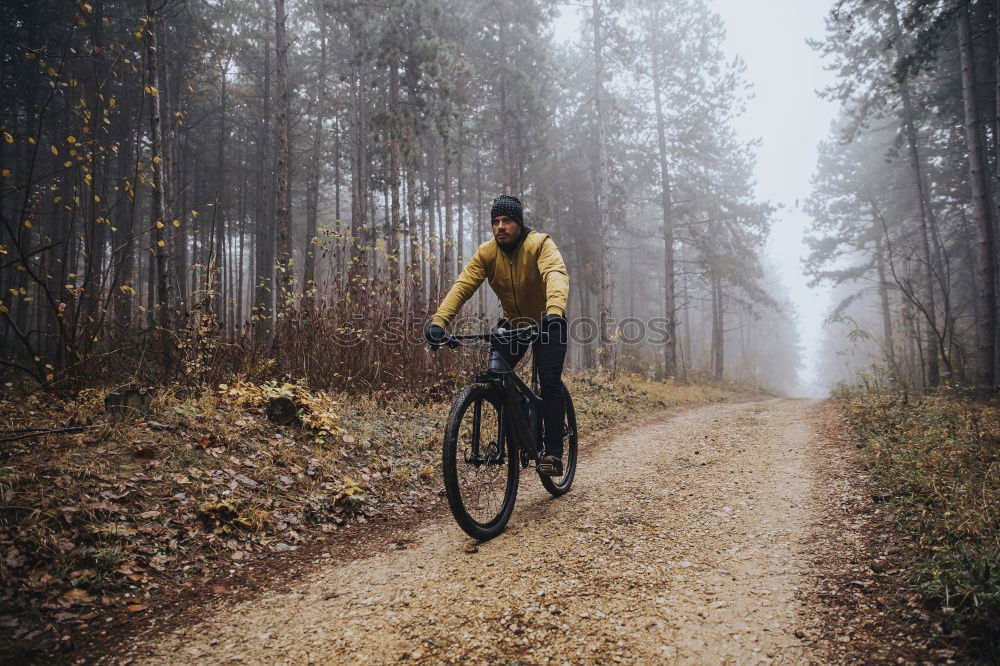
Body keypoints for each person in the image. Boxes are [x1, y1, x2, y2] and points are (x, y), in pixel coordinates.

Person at [425, 194, 570, 475]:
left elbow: (556, 274)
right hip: (514, 323)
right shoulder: (486, 253)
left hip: (547, 322)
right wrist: (439, 322)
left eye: (506, 221)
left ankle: (553, 452)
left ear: (518, 223)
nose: (500, 226)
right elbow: (463, 286)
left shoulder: (540, 244)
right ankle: (523, 419)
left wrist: (553, 311)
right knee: (497, 373)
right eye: (495, 222)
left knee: (549, 380)